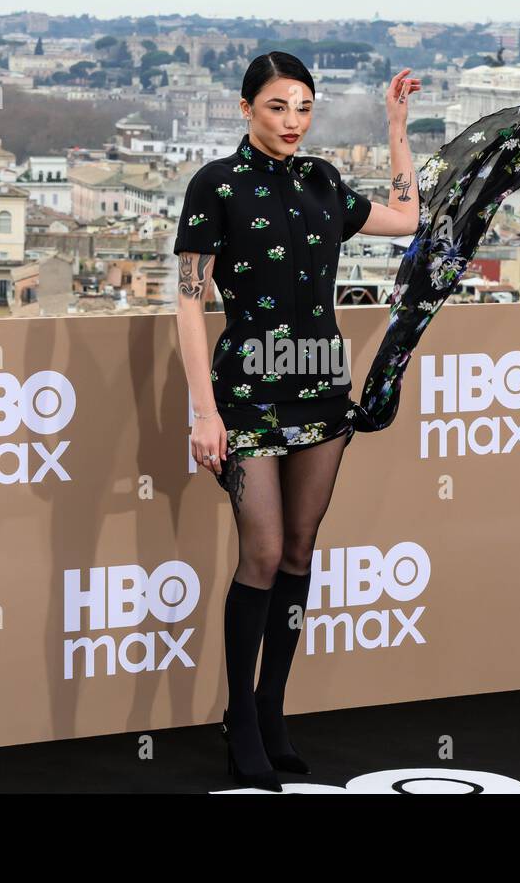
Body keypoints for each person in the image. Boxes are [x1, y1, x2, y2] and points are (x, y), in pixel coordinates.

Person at [174, 51, 420, 790]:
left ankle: (271, 709)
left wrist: (397, 126)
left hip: (320, 390)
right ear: (246, 107)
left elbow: (408, 219)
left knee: (300, 552)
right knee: (263, 551)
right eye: (278, 107)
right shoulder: (213, 185)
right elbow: (190, 301)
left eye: (304, 108)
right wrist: (204, 413)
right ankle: (239, 720)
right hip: (245, 396)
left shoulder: (322, 182)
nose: (292, 123)